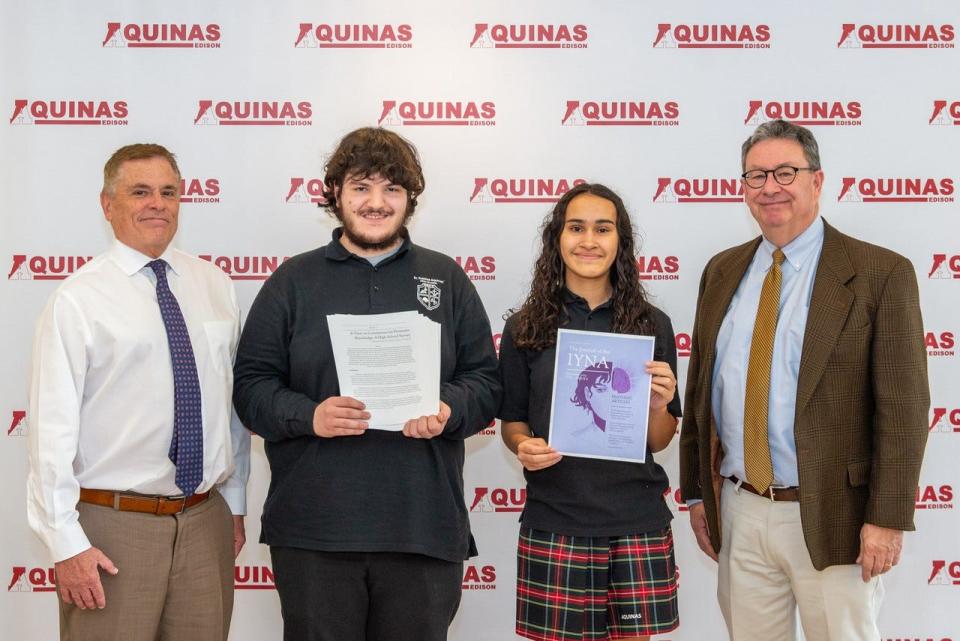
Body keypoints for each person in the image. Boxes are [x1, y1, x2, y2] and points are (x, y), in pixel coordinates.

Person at [232, 127, 501, 641]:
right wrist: (310, 416)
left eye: (391, 190)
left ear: (409, 199)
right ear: (335, 193)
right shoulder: (293, 281)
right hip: (315, 531)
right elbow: (251, 387)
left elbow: (486, 382)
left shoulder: (445, 278)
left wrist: (449, 409)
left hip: (422, 528)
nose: (376, 203)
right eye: (361, 187)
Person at [679, 119, 929, 641]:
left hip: (835, 516)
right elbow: (703, 390)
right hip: (740, 510)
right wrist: (699, 494)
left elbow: (903, 409)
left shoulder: (881, 273)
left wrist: (886, 518)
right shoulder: (721, 271)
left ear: (817, 181)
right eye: (755, 175)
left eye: (786, 172)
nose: (770, 187)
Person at [26, 143, 249, 641]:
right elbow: (50, 431)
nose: (157, 204)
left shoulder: (214, 283)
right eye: (140, 191)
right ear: (108, 205)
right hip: (112, 527)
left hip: (204, 520)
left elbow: (227, 407)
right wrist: (66, 544)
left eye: (169, 192)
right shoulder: (77, 299)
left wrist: (233, 503)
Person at [498, 183, 682, 641]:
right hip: (555, 517)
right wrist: (523, 445)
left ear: (620, 241)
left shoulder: (652, 325)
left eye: (603, 229)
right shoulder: (524, 326)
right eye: (576, 227)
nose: (589, 240)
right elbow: (513, 421)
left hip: (635, 519)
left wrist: (659, 403)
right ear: (557, 238)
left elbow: (659, 439)